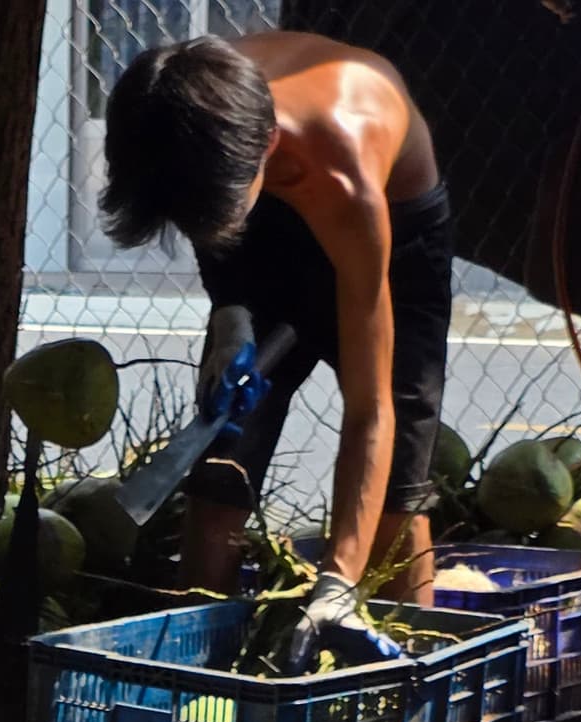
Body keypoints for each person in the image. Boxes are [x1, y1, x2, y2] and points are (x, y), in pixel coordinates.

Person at [101, 32, 451, 671]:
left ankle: (426, 691)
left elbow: (370, 410)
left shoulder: (345, 175)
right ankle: (201, 681)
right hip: (259, 201)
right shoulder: (186, 117)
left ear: (263, 152)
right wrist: (231, 314)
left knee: (397, 500)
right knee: (222, 464)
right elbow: (215, 225)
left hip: (394, 233)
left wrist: (338, 583)